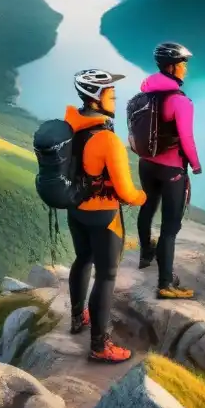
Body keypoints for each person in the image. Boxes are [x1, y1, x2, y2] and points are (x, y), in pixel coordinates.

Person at [64, 69, 146, 363]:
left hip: (76, 210)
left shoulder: (68, 127)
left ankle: (77, 317)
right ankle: (99, 345)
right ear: (96, 97)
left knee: (82, 259)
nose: (114, 97)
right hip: (104, 217)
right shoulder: (108, 140)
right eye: (110, 93)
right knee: (107, 275)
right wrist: (143, 197)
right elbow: (125, 191)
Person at [135, 42, 203, 300]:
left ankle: (144, 254)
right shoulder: (180, 101)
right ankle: (165, 283)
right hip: (171, 170)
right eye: (183, 64)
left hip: (146, 163)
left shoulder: (144, 94)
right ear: (171, 66)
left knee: (148, 206)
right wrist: (195, 165)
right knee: (170, 227)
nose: (186, 69)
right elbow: (186, 138)